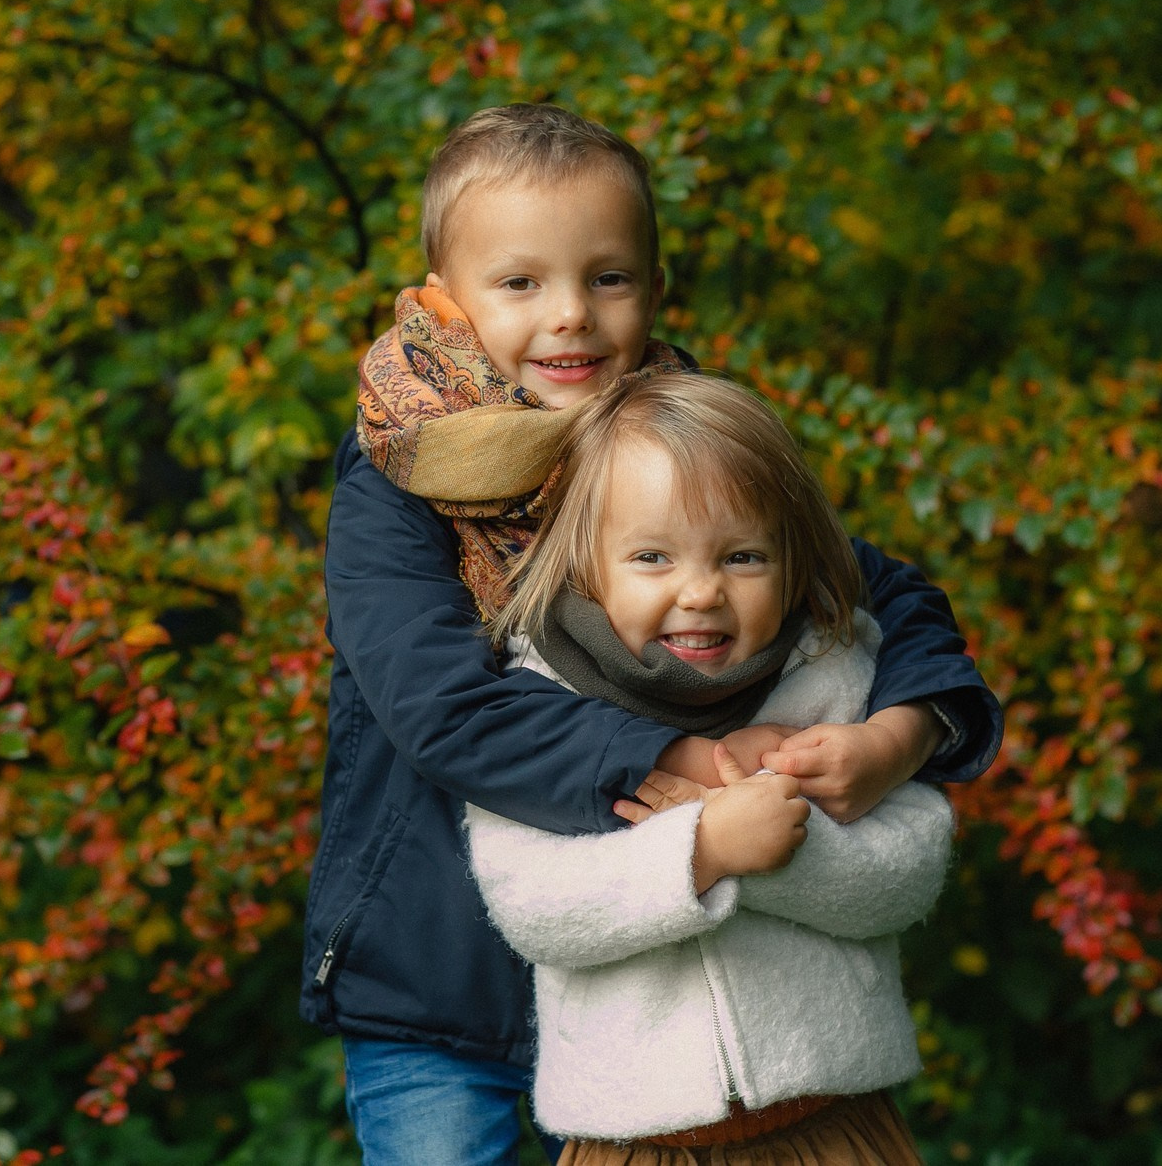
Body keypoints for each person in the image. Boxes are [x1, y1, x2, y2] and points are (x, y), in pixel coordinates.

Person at [301, 104, 999, 1166]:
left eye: (608, 277)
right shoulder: (396, 481)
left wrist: (900, 734)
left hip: (647, 970)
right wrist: (682, 759)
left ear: (655, 290)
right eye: (521, 283)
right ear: (443, 305)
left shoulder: (681, 449)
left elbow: (879, 595)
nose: (570, 316)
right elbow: (440, 706)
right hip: (442, 972)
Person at [469, 369, 949, 1164]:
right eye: (652, 556)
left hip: (831, 1125)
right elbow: (532, 903)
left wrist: (779, 854)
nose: (700, 591)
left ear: (794, 559)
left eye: (743, 556)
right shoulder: (539, 700)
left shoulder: (834, 666)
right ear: (587, 565)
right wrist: (704, 850)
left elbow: (913, 865)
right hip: (632, 1142)